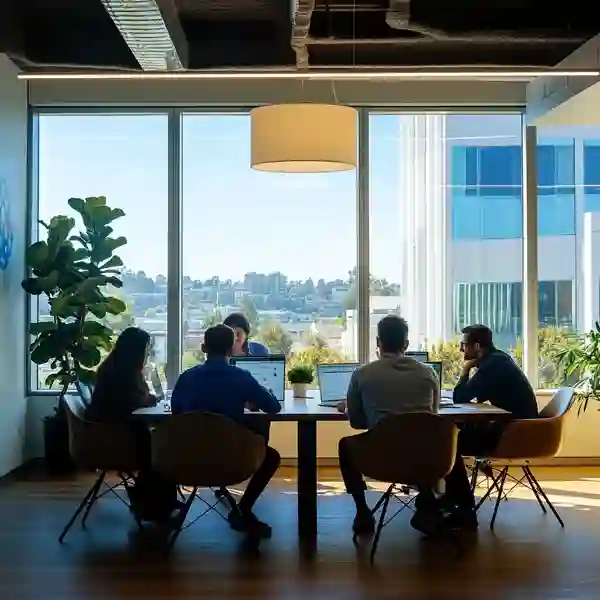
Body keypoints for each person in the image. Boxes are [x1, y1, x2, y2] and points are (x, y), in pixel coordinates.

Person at [170, 324, 282, 538]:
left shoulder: (186, 378)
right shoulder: (241, 377)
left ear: (203, 348)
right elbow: (273, 407)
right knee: (271, 456)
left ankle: (163, 510)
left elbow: (177, 417)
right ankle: (243, 509)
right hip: (232, 461)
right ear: (231, 349)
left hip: (186, 459)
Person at [337, 315, 441, 536]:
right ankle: (427, 501)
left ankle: (363, 511)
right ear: (406, 345)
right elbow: (433, 417)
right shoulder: (428, 372)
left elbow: (355, 423)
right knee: (424, 440)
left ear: (378, 342)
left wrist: (372, 413)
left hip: (383, 458)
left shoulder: (363, 374)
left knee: (346, 446)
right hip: (426, 459)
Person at [443, 324, 539, 530]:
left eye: (463, 344)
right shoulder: (498, 359)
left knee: (448, 443)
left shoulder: (492, 365)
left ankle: (462, 509)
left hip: (513, 433)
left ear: (477, 345)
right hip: (514, 428)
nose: (461, 349)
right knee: (453, 437)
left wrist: (465, 369)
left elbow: (460, 397)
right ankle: (451, 501)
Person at [86, 327, 179, 523]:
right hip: (116, 440)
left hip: (110, 434)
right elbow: (131, 402)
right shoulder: (122, 375)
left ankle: (158, 502)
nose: (147, 353)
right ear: (136, 351)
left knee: (159, 444)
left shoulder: (114, 369)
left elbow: (134, 400)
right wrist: (148, 398)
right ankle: (155, 505)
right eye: (145, 349)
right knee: (162, 449)